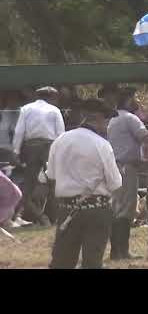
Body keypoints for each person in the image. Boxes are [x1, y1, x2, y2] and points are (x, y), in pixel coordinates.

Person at [46, 99, 122, 269]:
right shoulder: (102, 145)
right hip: (96, 210)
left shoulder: (60, 140)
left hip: (67, 209)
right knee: (92, 262)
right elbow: (115, 183)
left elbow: (50, 175)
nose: (108, 125)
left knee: (62, 262)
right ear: (99, 118)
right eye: (107, 120)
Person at [107, 87, 148, 260]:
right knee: (126, 209)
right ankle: (122, 251)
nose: (137, 101)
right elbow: (147, 138)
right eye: (134, 97)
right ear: (127, 100)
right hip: (127, 168)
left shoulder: (113, 119)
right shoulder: (129, 118)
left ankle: (116, 251)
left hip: (116, 167)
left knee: (118, 208)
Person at [11, 87, 65, 226]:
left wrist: (16, 151)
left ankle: (26, 216)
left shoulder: (26, 108)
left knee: (28, 184)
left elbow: (19, 131)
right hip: (50, 146)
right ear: (52, 97)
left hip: (31, 146)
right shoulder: (54, 110)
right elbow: (61, 134)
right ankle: (59, 218)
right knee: (55, 183)